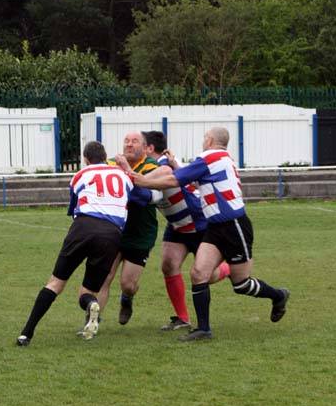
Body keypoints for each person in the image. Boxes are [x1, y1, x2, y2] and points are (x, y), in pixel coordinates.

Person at [133, 127, 290, 342]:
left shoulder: (209, 157)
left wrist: (140, 180)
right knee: (198, 273)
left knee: (241, 284)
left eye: (204, 137)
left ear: (209, 140)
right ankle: (203, 329)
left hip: (234, 226)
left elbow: (173, 181)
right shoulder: (222, 158)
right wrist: (177, 165)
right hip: (215, 227)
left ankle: (278, 295)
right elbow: (196, 181)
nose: (203, 141)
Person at [16, 140, 140, 345]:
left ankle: (26, 333)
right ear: (105, 156)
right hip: (112, 234)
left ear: (85, 159)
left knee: (55, 283)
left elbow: (73, 209)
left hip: (84, 226)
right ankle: (92, 303)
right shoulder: (123, 176)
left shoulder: (80, 175)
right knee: (87, 291)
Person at [142, 130, 230, 331]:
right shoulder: (155, 165)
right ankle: (183, 318)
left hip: (197, 222)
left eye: (136, 142)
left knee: (208, 275)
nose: (130, 146)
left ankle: (228, 269)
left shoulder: (164, 164)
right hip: (177, 225)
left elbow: (158, 178)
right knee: (168, 265)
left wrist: (133, 180)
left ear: (149, 148)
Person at [96, 131, 159, 325]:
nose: (129, 145)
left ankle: (127, 298)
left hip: (140, 234)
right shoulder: (111, 165)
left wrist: (126, 171)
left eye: (134, 141)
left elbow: (143, 195)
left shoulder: (151, 167)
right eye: (126, 141)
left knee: (128, 284)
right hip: (114, 232)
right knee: (104, 278)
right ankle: (92, 322)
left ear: (145, 147)